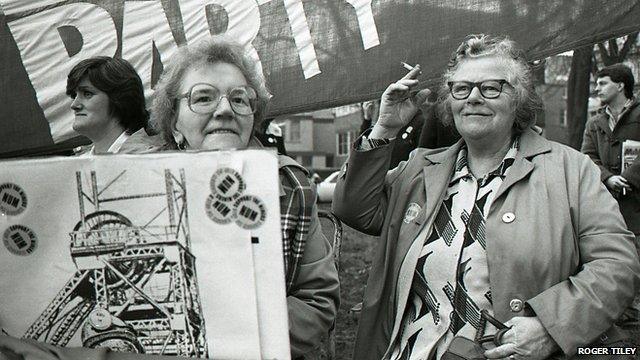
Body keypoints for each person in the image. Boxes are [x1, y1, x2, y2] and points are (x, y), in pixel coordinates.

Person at [333, 34, 640, 360]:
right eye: (461, 88)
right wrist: (384, 128)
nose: (473, 98)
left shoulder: (571, 170)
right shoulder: (421, 168)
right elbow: (354, 208)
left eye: (491, 87)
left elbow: (617, 266)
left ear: (518, 98)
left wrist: (552, 327)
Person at [125, 35, 339, 358]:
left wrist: (233, 344)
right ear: (175, 123)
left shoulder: (289, 185)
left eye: (239, 98)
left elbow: (316, 299)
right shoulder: (136, 187)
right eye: (203, 98)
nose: (225, 110)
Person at [581, 63, 640, 242]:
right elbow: (587, 156)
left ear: (620, 86)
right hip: (606, 209)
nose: (597, 89)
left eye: (603, 83)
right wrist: (607, 178)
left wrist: (628, 178)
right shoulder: (594, 123)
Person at [66, 56, 148, 155]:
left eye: (87, 94)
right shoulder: (76, 163)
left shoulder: (151, 160)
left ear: (119, 98)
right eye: (74, 95)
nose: (74, 105)